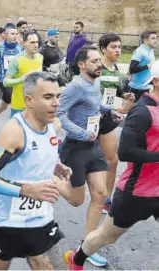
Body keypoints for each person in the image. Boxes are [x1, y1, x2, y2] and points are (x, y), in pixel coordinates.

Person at [0, 71, 73, 270]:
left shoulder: (53, 124)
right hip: (7, 224)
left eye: (57, 96)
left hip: (41, 221)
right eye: (48, 97)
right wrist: (26, 190)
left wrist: (55, 164)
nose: (56, 103)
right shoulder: (15, 131)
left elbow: (35, 153)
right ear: (29, 100)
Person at [65, 61, 159, 271]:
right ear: (156, 81)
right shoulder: (142, 112)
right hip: (137, 192)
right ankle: (77, 259)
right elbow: (125, 152)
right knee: (106, 237)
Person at [57, 45, 125, 268]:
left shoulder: (95, 81)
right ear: (81, 65)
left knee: (100, 194)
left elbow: (94, 104)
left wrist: (108, 110)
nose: (99, 64)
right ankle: (53, 180)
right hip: (75, 148)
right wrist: (81, 133)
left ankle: (85, 247)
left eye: (99, 60)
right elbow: (59, 114)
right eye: (94, 61)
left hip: (93, 146)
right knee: (76, 200)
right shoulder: (74, 87)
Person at [97, 33, 135, 213]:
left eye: (119, 47)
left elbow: (117, 91)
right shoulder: (96, 67)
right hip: (88, 119)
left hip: (107, 120)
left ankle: (106, 199)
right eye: (113, 47)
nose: (118, 50)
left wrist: (125, 96)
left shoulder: (117, 71)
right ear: (104, 49)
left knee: (112, 161)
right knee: (79, 162)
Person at [0, 27, 24, 131]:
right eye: (12, 34)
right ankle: (15, 127)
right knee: (13, 100)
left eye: (16, 33)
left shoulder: (20, 48)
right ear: (6, 35)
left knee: (4, 104)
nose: (15, 35)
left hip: (18, 80)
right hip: (4, 80)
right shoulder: (0, 48)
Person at [3, 30, 43, 116]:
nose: (36, 45)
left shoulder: (40, 57)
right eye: (32, 42)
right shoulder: (16, 60)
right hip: (19, 107)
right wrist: (22, 79)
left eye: (37, 42)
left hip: (35, 106)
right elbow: (5, 82)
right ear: (24, 44)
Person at [127, 30, 157, 101]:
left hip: (147, 87)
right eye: (153, 38)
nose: (155, 40)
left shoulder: (150, 50)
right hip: (137, 88)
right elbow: (131, 70)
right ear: (145, 40)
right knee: (131, 111)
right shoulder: (140, 51)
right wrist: (147, 66)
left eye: (156, 38)